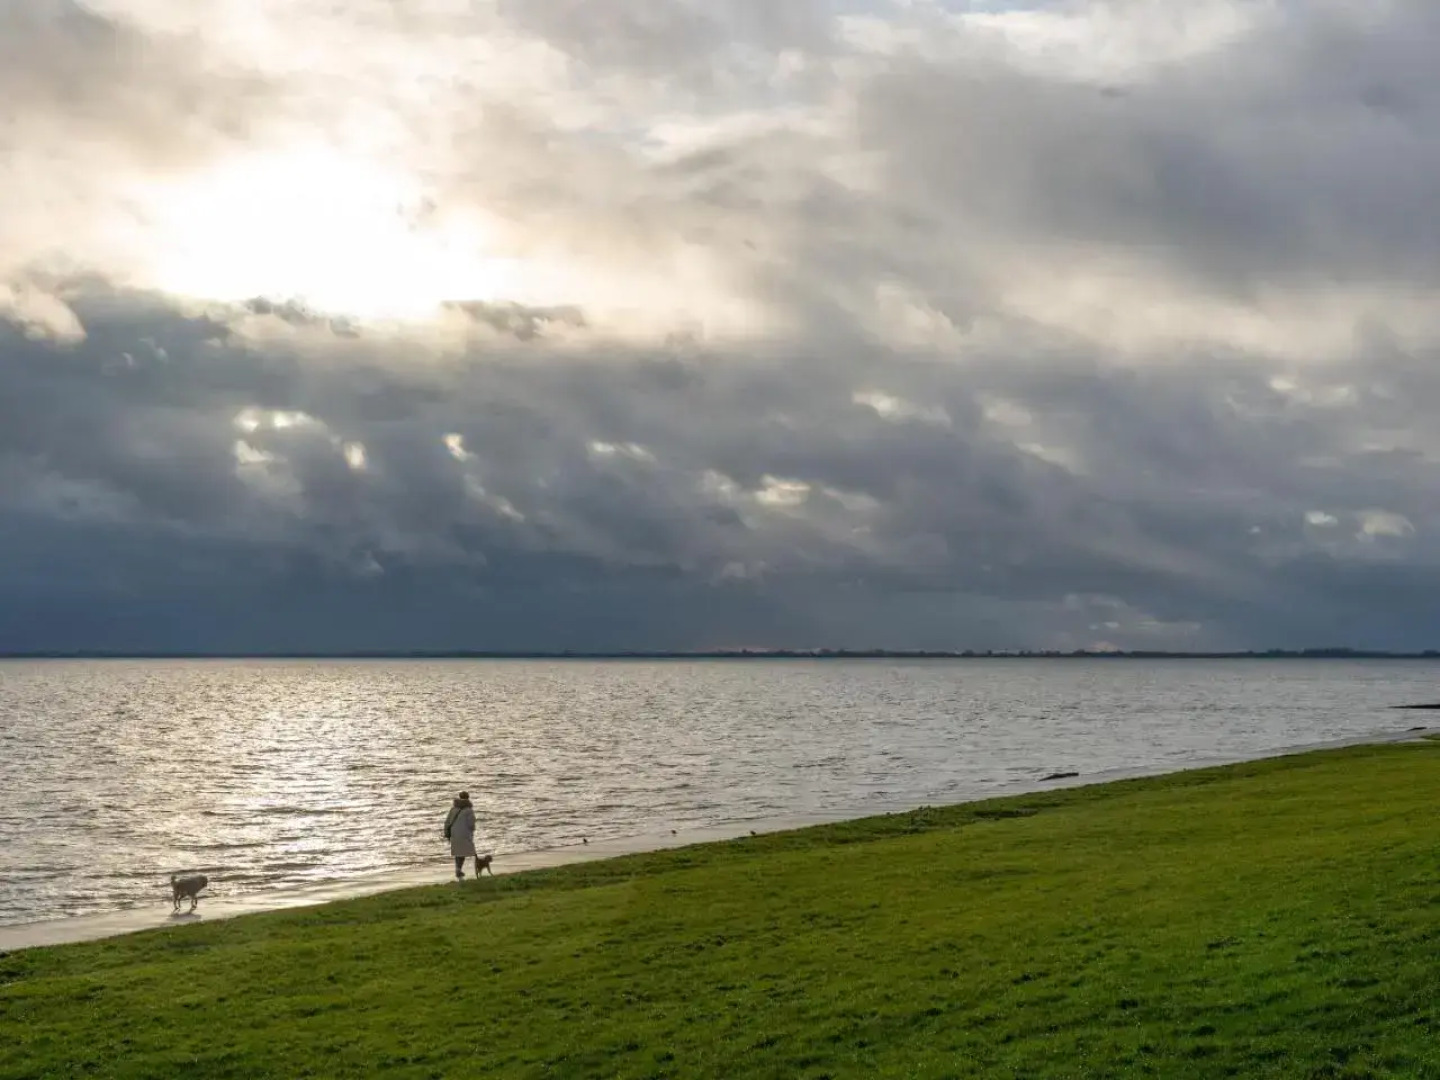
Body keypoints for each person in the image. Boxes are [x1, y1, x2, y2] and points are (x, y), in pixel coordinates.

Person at [444, 791, 479, 879]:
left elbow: (447, 822)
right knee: (462, 853)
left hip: (454, 834)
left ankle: (458, 869)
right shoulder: (469, 810)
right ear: (468, 798)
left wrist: (447, 833)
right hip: (464, 835)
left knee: (457, 853)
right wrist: (472, 830)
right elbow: (471, 825)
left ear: (459, 797)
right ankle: (458, 869)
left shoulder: (453, 809)